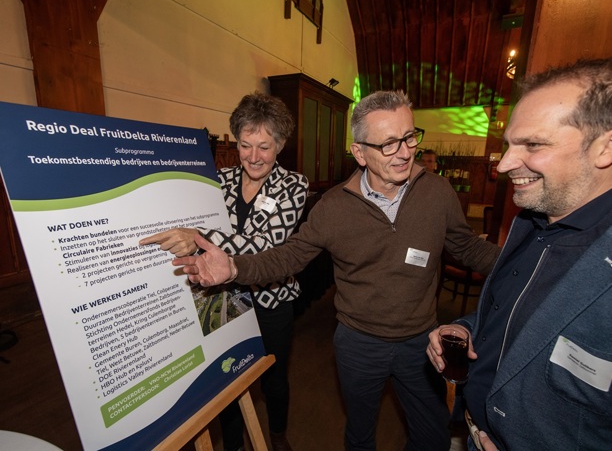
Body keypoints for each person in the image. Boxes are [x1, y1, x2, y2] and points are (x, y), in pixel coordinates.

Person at [171, 90, 500, 451]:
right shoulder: (333, 208)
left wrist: (524, 265)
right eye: (388, 144)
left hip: (421, 341)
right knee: (360, 435)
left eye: (409, 137)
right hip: (359, 343)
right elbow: (288, 257)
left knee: (432, 436)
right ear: (359, 152)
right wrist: (234, 266)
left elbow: (468, 247)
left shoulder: (436, 192)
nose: (405, 152)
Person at [426, 58, 612, 451]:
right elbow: (518, 316)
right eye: (509, 144)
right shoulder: (530, 223)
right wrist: (468, 328)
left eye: (533, 144)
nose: (506, 164)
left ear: (605, 148)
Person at [141, 92, 309, 451]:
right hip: (227, 297)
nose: (253, 156)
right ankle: (233, 444)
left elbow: (266, 244)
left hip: (271, 299)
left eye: (264, 147)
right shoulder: (219, 179)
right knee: (229, 376)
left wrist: (197, 236)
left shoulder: (294, 186)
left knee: (274, 378)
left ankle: (277, 436)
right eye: (245, 145)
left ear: (280, 145)